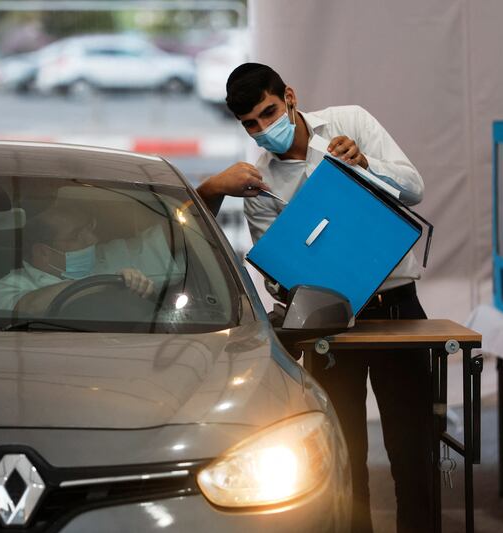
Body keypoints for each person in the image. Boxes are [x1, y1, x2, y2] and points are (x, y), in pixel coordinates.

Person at [196, 63, 431, 533]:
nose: (265, 130)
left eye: (268, 112)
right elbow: (283, 282)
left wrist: (366, 165)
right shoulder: (257, 186)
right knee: (343, 454)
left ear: (289, 97)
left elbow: (415, 189)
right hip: (328, 325)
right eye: (252, 125)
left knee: (413, 450)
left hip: (396, 309)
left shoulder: (351, 122)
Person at [0, 202, 171, 313]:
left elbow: (173, 236)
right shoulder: (6, 288)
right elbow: (28, 306)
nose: (93, 239)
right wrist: (107, 283)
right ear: (43, 252)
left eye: (89, 228)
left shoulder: (110, 255)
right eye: (77, 235)